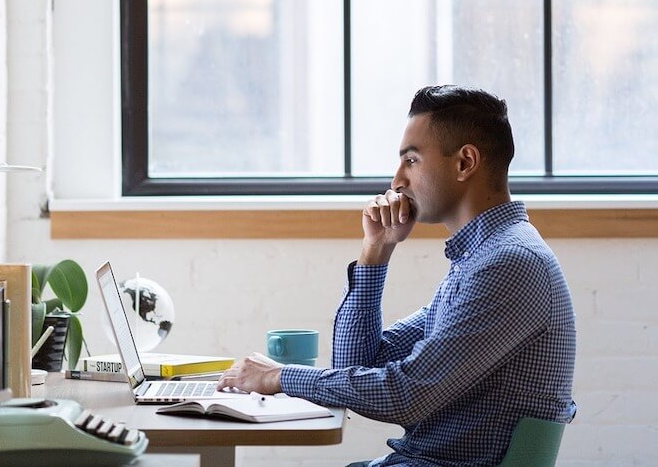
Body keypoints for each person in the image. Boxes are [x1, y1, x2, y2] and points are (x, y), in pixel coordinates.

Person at [216, 85, 577, 466]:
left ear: (465, 162)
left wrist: (280, 377)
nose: (396, 181)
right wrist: (376, 251)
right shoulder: (479, 260)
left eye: (412, 160)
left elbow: (407, 395)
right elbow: (357, 364)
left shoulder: (508, 264)